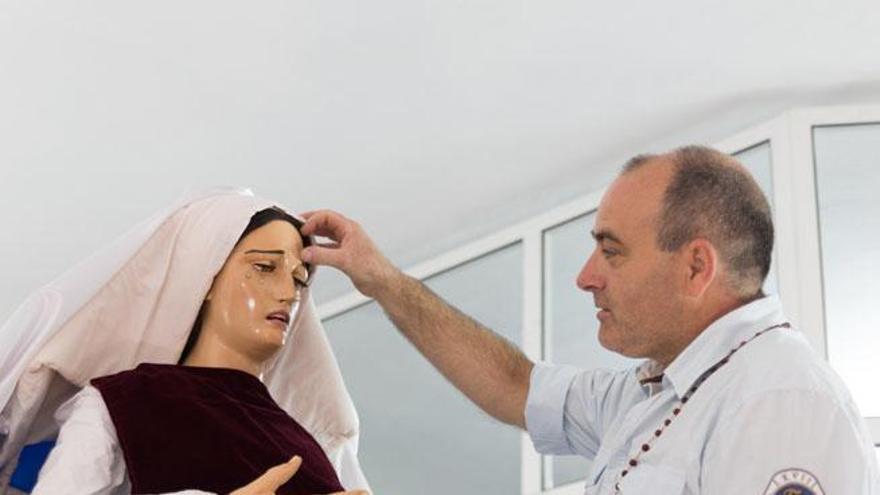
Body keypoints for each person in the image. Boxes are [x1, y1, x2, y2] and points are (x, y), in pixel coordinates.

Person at [299, 146, 880, 494]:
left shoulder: (779, 400)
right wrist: (382, 279)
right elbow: (515, 385)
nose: (585, 276)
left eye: (612, 249)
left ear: (697, 266)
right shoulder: (652, 395)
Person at [0, 189, 369, 495]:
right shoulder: (129, 401)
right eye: (264, 268)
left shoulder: (308, 442)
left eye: (299, 279)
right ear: (206, 276)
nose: (288, 292)